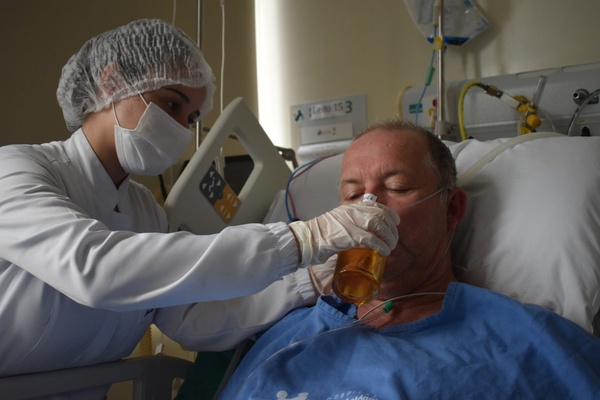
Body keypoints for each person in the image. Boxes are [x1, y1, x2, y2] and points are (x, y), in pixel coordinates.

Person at [0, 18, 400, 390]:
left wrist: (308, 282)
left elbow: (191, 321)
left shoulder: (144, 210)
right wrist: (304, 238)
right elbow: (95, 268)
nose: (179, 129)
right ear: (111, 81)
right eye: (172, 104)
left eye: (190, 118)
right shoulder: (16, 170)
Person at [218, 120, 600, 400]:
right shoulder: (289, 330)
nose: (368, 211)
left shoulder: (525, 342)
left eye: (396, 188)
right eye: (353, 196)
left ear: (451, 209)